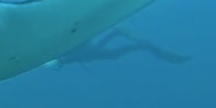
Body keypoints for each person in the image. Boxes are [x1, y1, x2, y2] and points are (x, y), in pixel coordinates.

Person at [45, 27, 191, 69]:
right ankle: (122, 34)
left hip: (92, 52)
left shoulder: (69, 54)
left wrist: (60, 62)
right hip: (92, 51)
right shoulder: (69, 53)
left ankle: (125, 36)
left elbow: (77, 56)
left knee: (120, 50)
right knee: (117, 50)